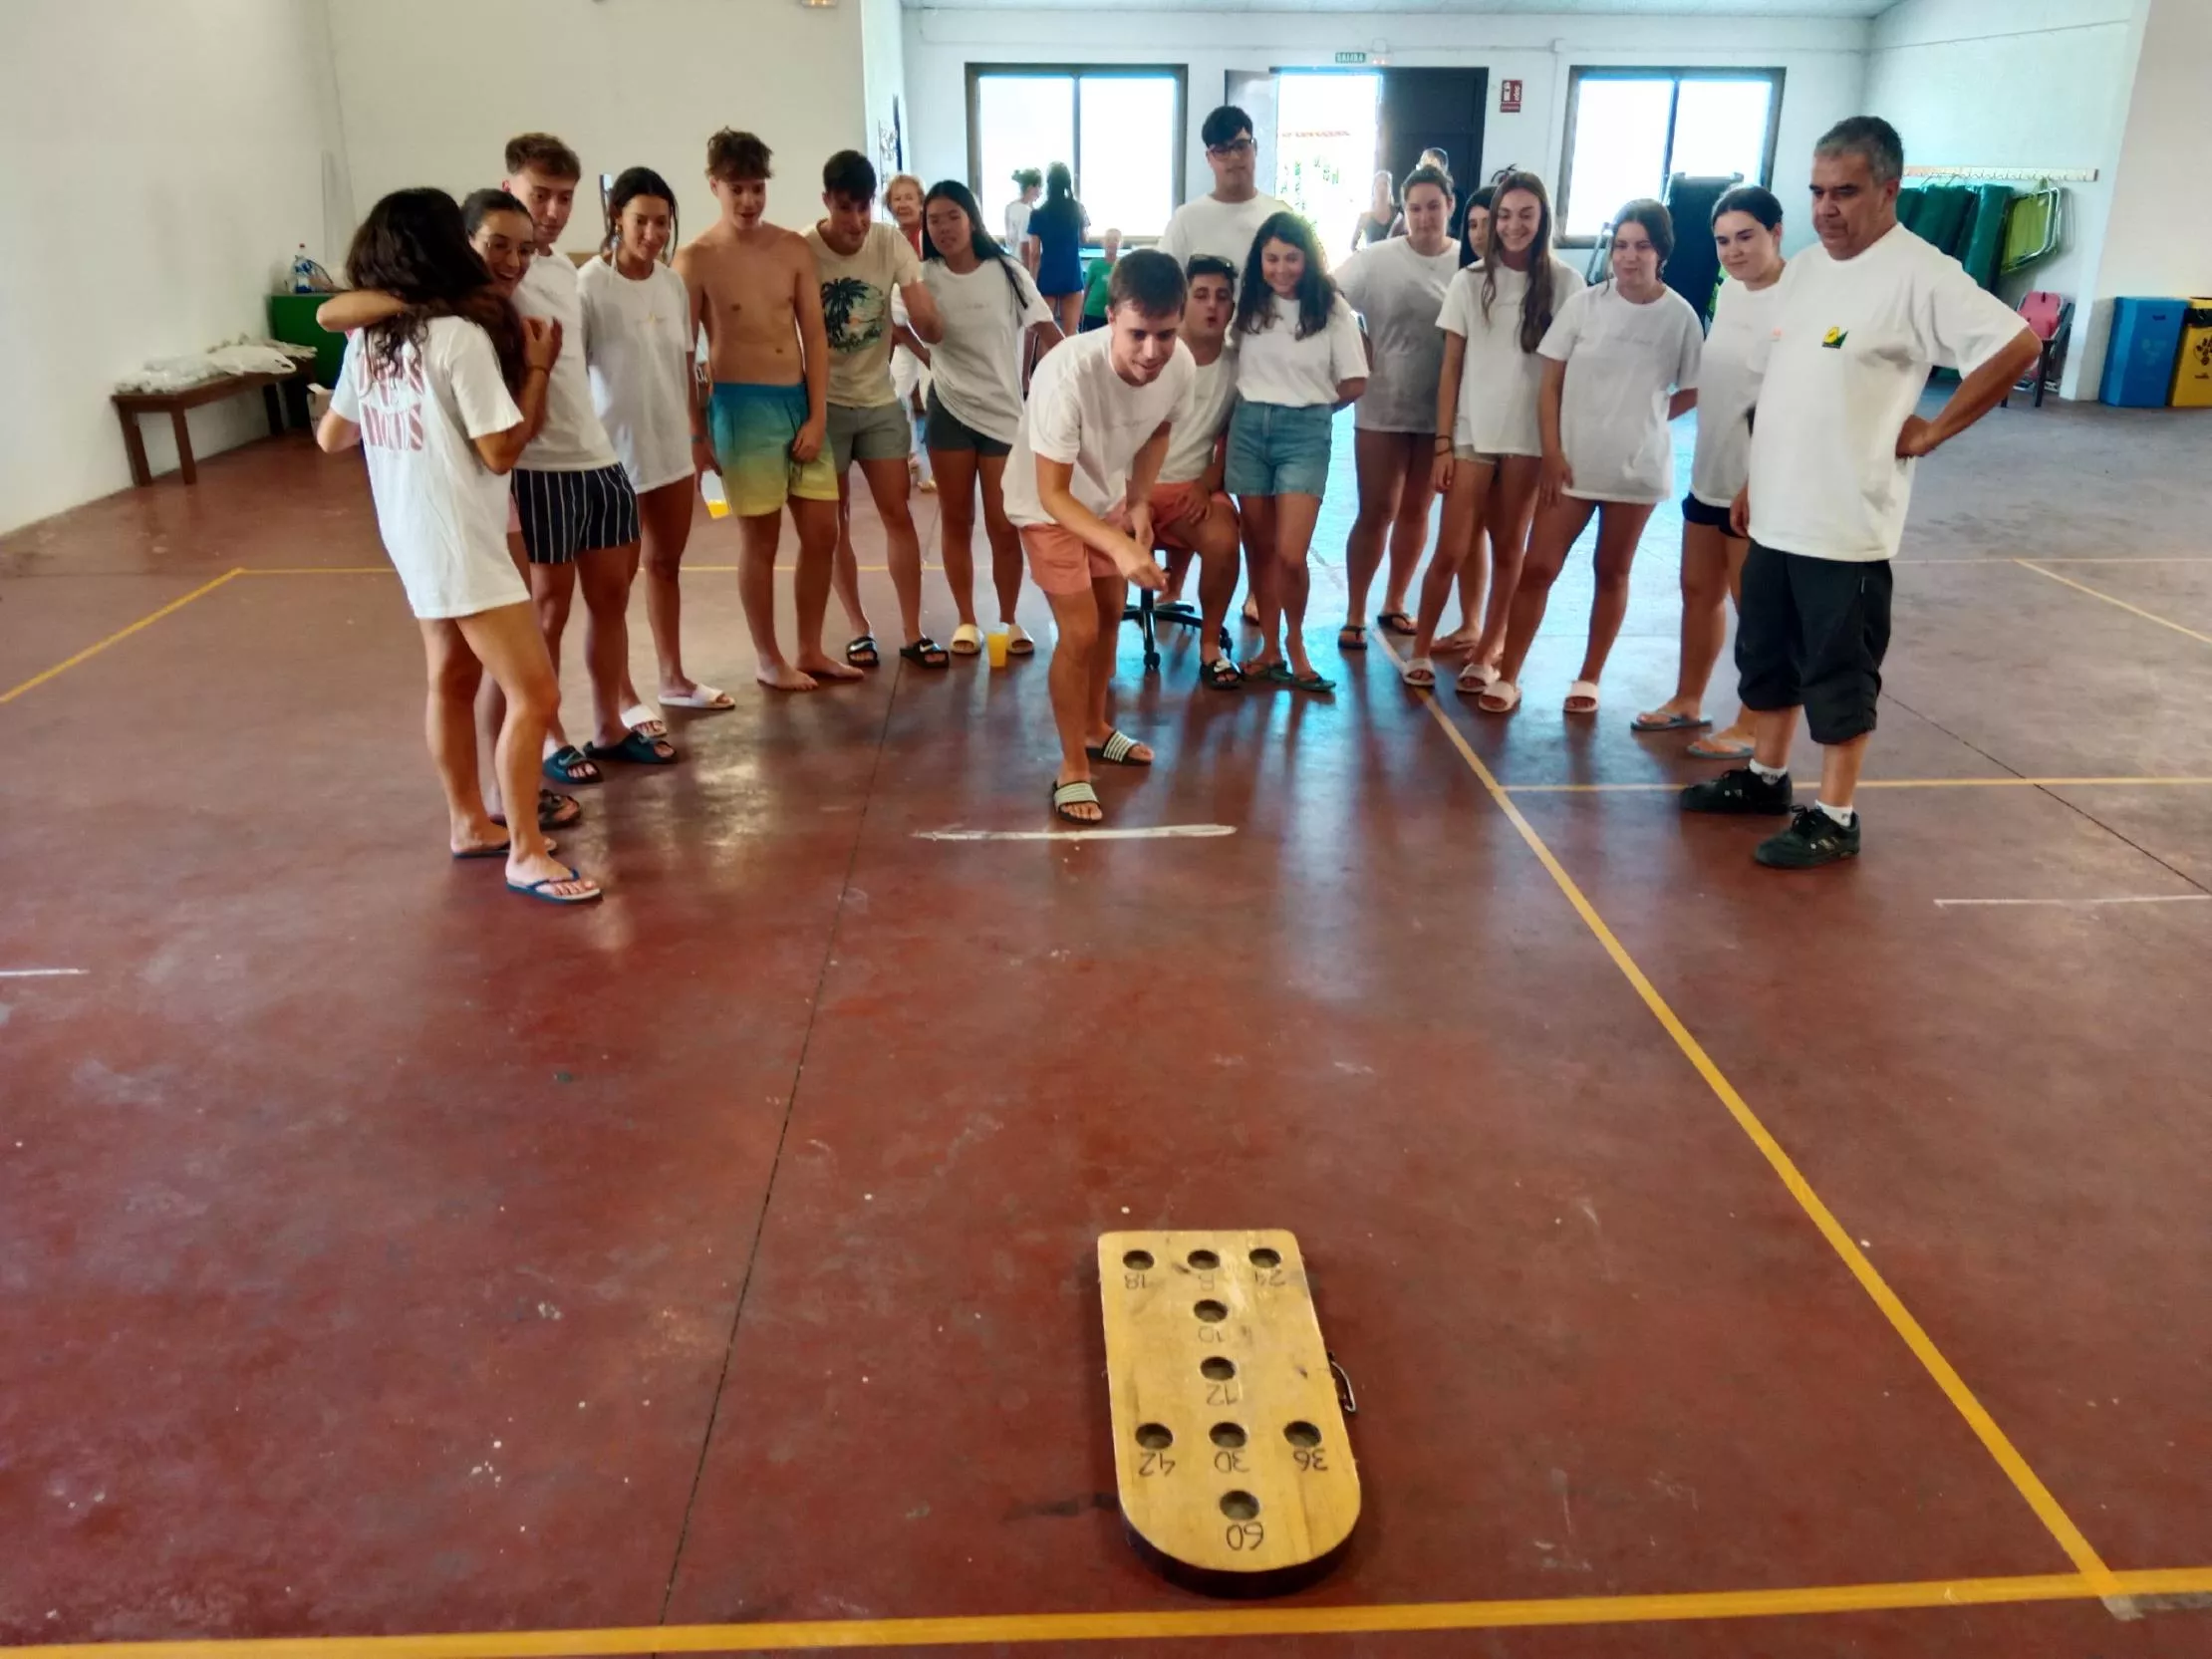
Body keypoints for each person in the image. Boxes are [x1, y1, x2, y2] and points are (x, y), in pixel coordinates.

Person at [1683, 116, 2038, 868]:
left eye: (1844, 192)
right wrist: (1754, 478)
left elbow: (2017, 345)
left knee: (1838, 670)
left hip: (1845, 523)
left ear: (1888, 189)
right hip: (1776, 510)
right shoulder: (1807, 271)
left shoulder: (1921, 273)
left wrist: (1935, 428)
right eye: (1816, 192)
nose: (1826, 209)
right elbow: (1789, 383)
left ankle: (1837, 815)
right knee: (1768, 655)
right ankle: (1765, 776)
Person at [315, 188, 599, 905]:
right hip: (460, 539)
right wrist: (537, 366)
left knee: (451, 677)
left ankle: (469, 821)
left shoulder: (373, 338)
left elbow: (332, 435)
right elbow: (502, 450)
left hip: (411, 533)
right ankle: (526, 851)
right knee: (534, 690)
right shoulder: (457, 338)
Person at [495, 135, 672, 779]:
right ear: (510, 186)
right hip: (538, 465)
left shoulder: (561, 272)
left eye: (564, 197)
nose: (552, 209)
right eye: (539, 193)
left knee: (611, 600)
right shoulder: (490, 275)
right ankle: (546, 735)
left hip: (597, 457)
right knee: (549, 608)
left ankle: (607, 723)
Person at [1484, 200, 1701, 716]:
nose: (1629, 257)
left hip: (1638, 472)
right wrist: (1553, 453)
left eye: (1642, 246)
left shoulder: (1680, 317)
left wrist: (1644, 418)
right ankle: (1508, 674)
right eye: (1622, 245)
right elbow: (1549, 383)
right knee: (1539, 567)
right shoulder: (1585, 306)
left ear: (1661, 252)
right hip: (1572, 467)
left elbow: (1691, 390)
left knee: (1612, 571)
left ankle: (1589, 676)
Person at [1004, 250, 1190, 825]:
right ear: (1109, 316)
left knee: (1110, 615)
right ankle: (1071, 767)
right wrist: (1121, 545)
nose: (1152, 352)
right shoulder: (1065, 373)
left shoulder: (1178, 365)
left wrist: (1137, 501)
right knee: (1080, 631)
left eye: (1165, 334)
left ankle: (1094, 727)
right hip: (1044, 503)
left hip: (1102, 494)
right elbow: (1054, 495)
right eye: (1137, 334)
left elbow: (1157, 429)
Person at [675, 128, 857, 691]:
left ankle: (809, 647)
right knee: (762, 540)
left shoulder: (791, 248)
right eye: (737, 189)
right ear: (714, 186)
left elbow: (816, 337)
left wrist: (818, 414)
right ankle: (767, 656)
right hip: (739, 406)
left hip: (798, 399)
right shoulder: (696, 259)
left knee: (823, 531)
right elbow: (684, 353)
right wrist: (697, 432)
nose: (749, 201)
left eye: (757, 188)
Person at [1401, 170, 1583, 692]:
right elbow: (1450, 368)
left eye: (1526, 214)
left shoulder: (1567, 284)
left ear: (1543, 218)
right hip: (1472, 436)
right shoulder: (1470, 281)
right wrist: (1441, 443)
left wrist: (1555, 448)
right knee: (1452, 548)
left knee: (1509, 548)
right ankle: (1421, 647)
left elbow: (1570, 371)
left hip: (1529, 441)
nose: (1513, 225)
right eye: (1505, 215)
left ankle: (1487, 652)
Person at [1634, 186, 1789, 755]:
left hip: (1758, 484)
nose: (1733, 250)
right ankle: (1688, 700)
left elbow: (1793, 400)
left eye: (1746, 237)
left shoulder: (1797, 302)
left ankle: (1752, 722)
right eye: (1723, 240)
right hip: (1710, 473)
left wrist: (1759, 479)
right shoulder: (1733, 294)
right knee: (1698, 590)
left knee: (1757, 608)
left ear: (1776, 232)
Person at [579, 167, 734, 719]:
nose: (652, 233)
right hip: (612, 455)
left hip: (670, 447)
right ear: (616, 219)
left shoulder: (672, 284)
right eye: (640, 221)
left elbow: (684, 365)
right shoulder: (590, 286)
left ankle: (672, 677)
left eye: (661, 222)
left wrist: (698, 436)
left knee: (665, 564)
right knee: (613, 587)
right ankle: (621, 693)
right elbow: (575, 374)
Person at [806, 149, 950, 672]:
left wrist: (932, 324)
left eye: (865, 207)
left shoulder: (888, 241)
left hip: (879, 399)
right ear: (826, 202)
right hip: (823, 405)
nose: (858, 221)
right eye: (846, 208)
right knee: (836, 521)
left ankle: (913, 632)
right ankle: (858, 629)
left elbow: (919, 306)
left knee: (898, 513)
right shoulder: (803, 250)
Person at [918, 180, 1063, 657]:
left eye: (952, 217)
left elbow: (1049, 331)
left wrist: (1073, 385)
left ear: (972, 220)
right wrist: (932, 362)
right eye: (933, 219)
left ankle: (1009, 620)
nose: (943, 228)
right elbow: (897, 323)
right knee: (957, 521)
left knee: (1004, 526)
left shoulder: (1008, 272)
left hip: (1004, 415)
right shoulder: (922, 277)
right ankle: (965, 620)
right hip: (949, 413)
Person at [1228, 211, 1367, 693]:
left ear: (1307, 259)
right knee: (1261, 550)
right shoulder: (1247, 305)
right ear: (1259, 260)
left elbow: (1355, 379)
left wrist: (1314, 412)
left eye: (1291, 258)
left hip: (1305, 430)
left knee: (1290, 553)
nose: (1282, 268)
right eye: (1272, 259)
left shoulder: (1330, 309)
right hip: (1248, 427)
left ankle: (1296, 644)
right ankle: (1269, 649)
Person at [1335, 163, 1457, 651]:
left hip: (1441, 412)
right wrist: (1358, 343)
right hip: (1383, 404)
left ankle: (1395, 601)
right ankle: (1355, 610)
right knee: (1376, 510)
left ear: (1450, 206)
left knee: (1416, 510)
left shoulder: (1469, 263)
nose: (1424, 217)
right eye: (1414, 208)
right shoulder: (1378, 259)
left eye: (1433, 207)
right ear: (1403, 213)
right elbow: (1328, 294)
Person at [1152, 254, 1245, 690]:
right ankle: (1100, 650)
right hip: (1128, 489)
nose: (1212, 306)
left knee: (1226, 539)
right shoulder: (1154, 351)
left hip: (1192, 489)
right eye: (1201, 295)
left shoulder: (1238, 365)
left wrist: (1207, 486)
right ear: (1183, 301)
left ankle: (1210, 649)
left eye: (1222, 297)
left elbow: (1233, 442)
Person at [1159, 106, 1288, 270]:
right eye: (1221, 150)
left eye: (1241, 146)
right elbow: (1164, 286)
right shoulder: (1185, 221)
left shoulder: (1279, 215)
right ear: (1209, 158)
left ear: (1254, 148)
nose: (1234, 157)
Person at [883, 173, 936, 496]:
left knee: (934, 401)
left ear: (920, 202)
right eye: (896, 198)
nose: (902, 204)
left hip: (929, 338)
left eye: (908, 197)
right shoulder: (891, 240)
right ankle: (913, 457)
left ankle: (940, 465)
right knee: (895, 394)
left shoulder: (927, 239)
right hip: (903, 337)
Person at [1029, 162, 1090, 336]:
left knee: (1046, 334)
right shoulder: (1077, 209)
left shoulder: (1038, 213)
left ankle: (1044, 364)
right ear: (1067, 182)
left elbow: (1034, 253)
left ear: (1048, 184)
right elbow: (1084, 239)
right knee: (1070, 332)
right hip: (1071, 272)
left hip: (1048, 273)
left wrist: (1032, 282)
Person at [1079, 227, 1122, 333]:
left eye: (1115, 240)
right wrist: (1081, 310)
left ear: (1120, 244)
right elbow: (1087, 288)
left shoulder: (1123, 265)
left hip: (1114, 314)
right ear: (1103, 243)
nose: (1112, 243)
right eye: (1108, 240)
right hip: (1092, 313)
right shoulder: (1095, 264)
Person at [1005, 168, 1043, 276]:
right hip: (1023, 269)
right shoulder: (1026, 212)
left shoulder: (1010, 207)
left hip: (1014, 265)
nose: (1041, 192)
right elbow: (1026, 248)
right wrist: (1030, 278)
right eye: (1039, 187)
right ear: (1031, 188)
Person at [1352, 171, 1395, 250]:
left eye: (1385, 184)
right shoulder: (1365, 217)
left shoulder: (1398, 216)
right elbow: (1352, 246)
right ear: (1373, 190)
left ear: (1390, 190)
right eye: (1378, 185)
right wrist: (1364, 258)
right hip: (1373, 261)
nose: (1382, 188)